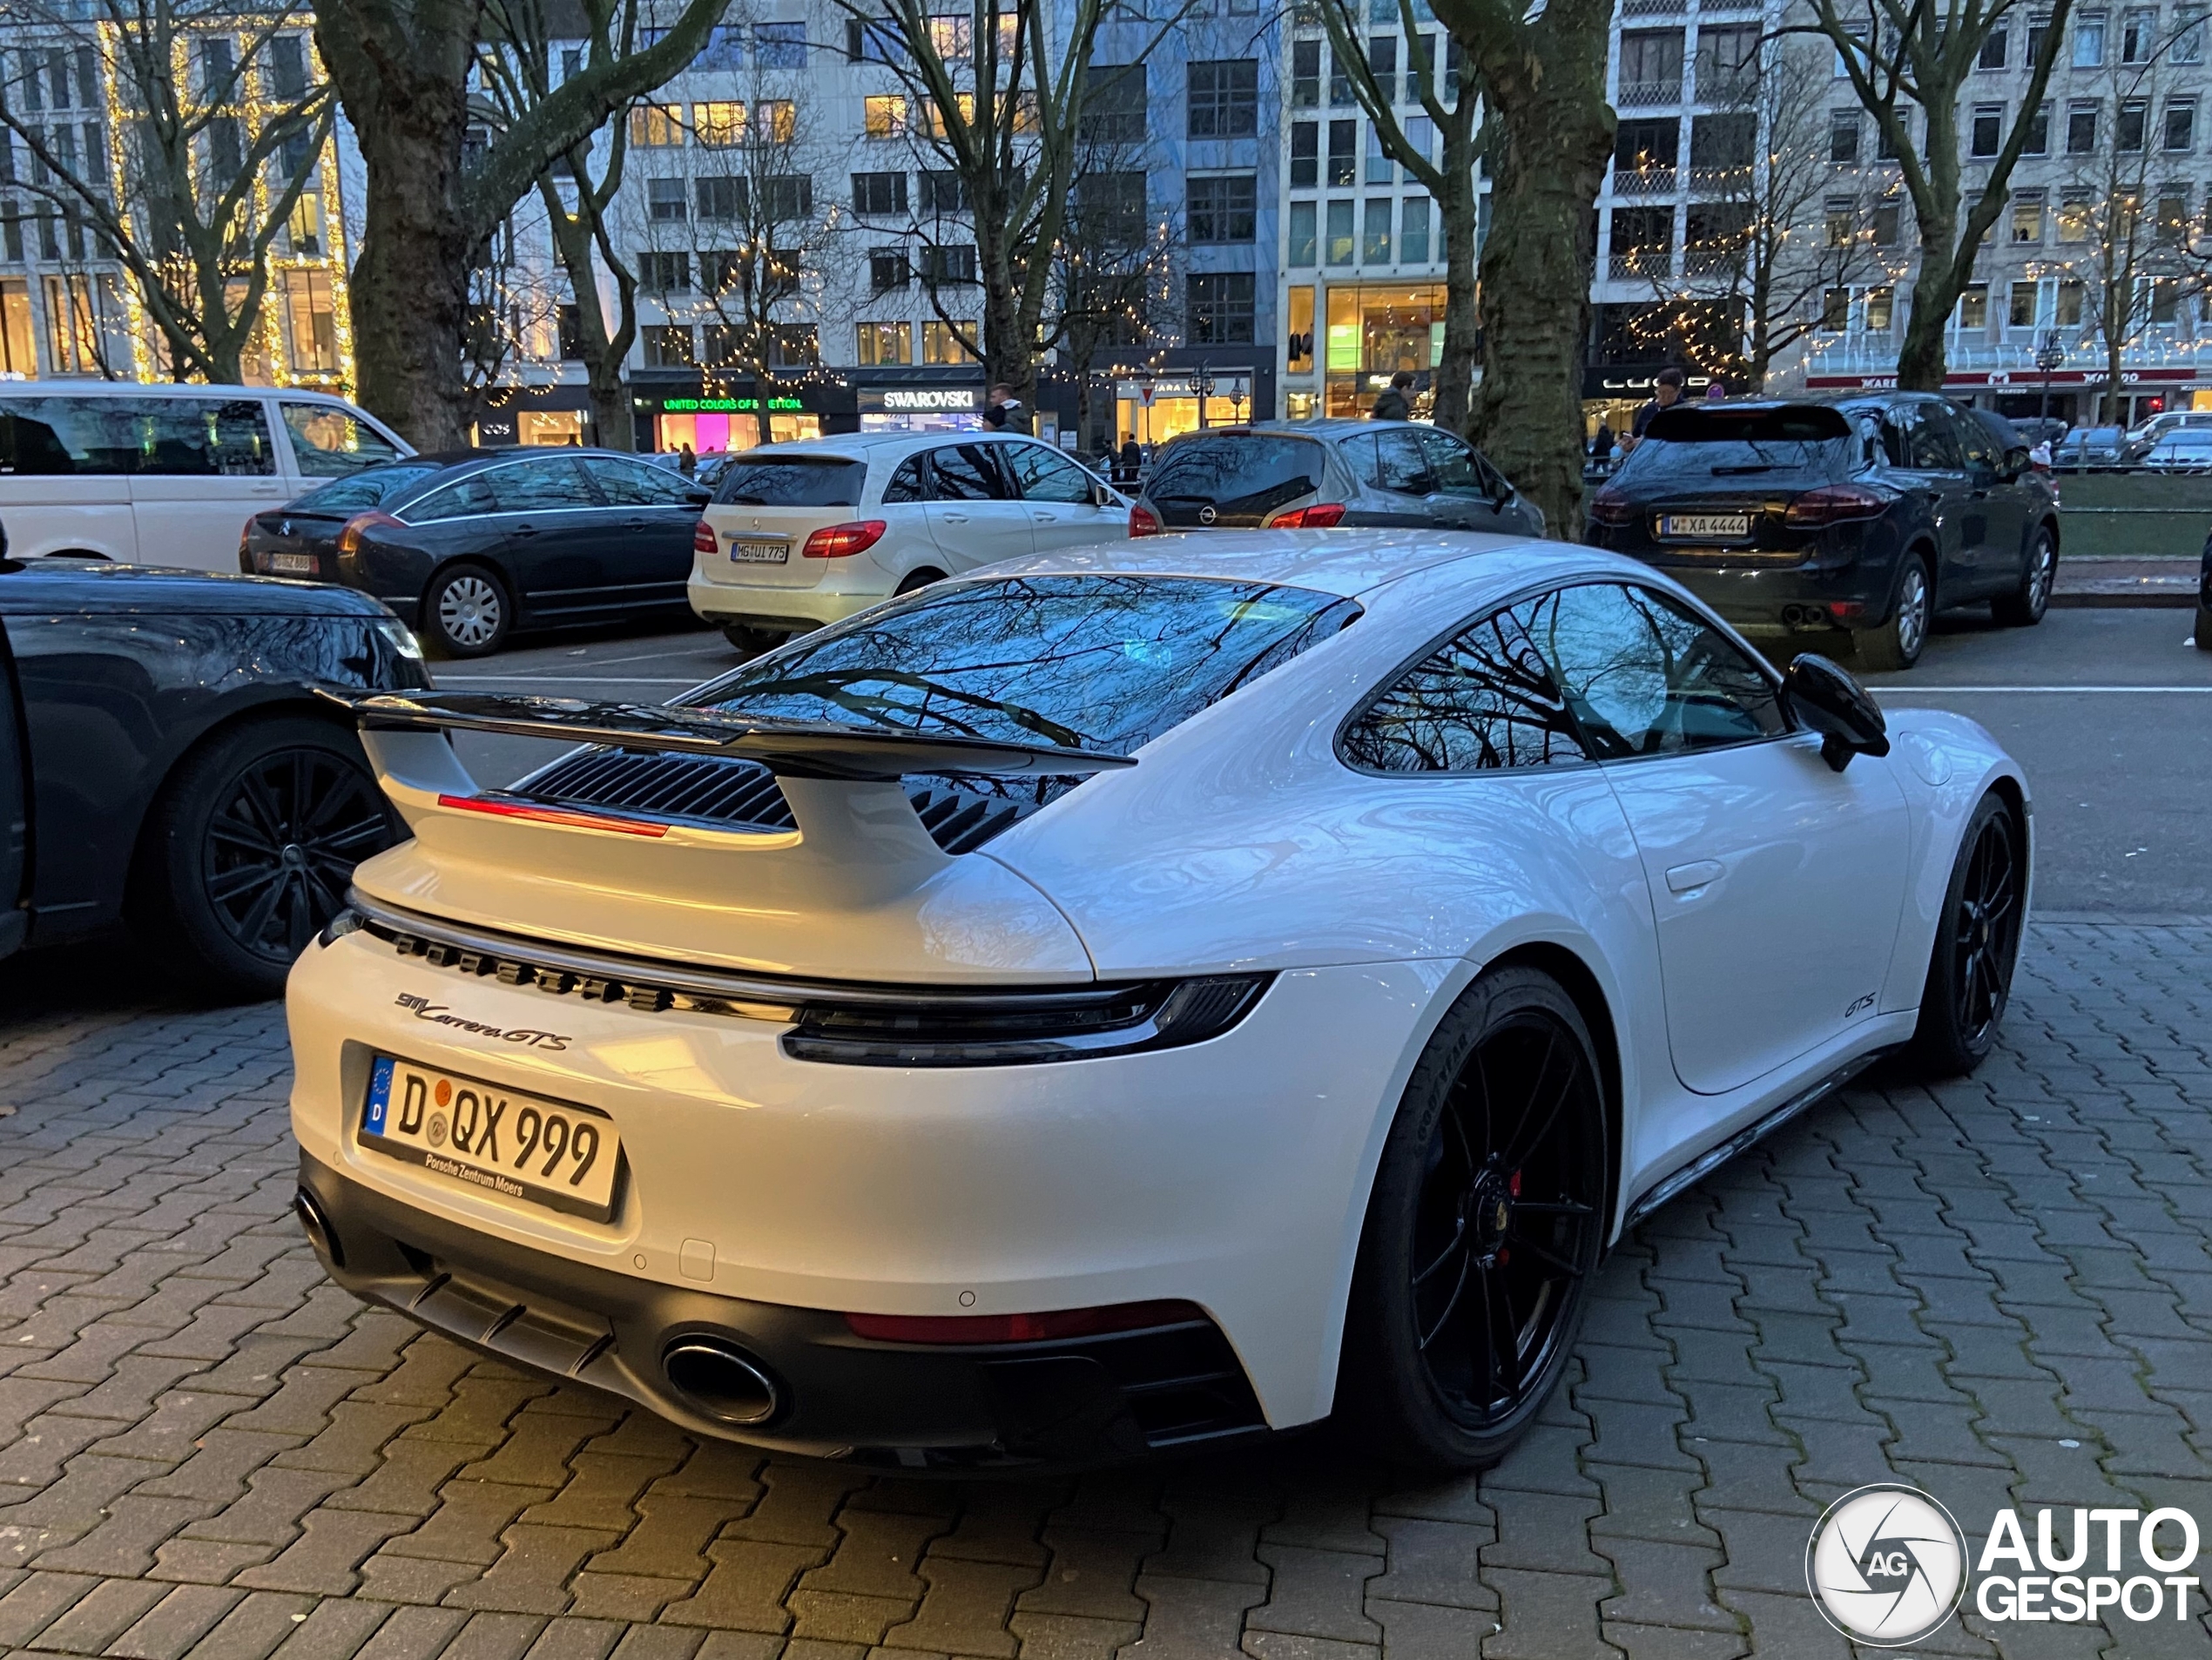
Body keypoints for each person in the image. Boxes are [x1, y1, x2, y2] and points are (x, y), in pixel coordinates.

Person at [1622, 367, 1687, 452]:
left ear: (1678, 391)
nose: (1664, 397)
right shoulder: (1648, 410)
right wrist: (1629, 445)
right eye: (1661, 392)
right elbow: (1636, 435)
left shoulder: (1686, 411)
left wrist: (1646, 442)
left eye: (1669, 393)